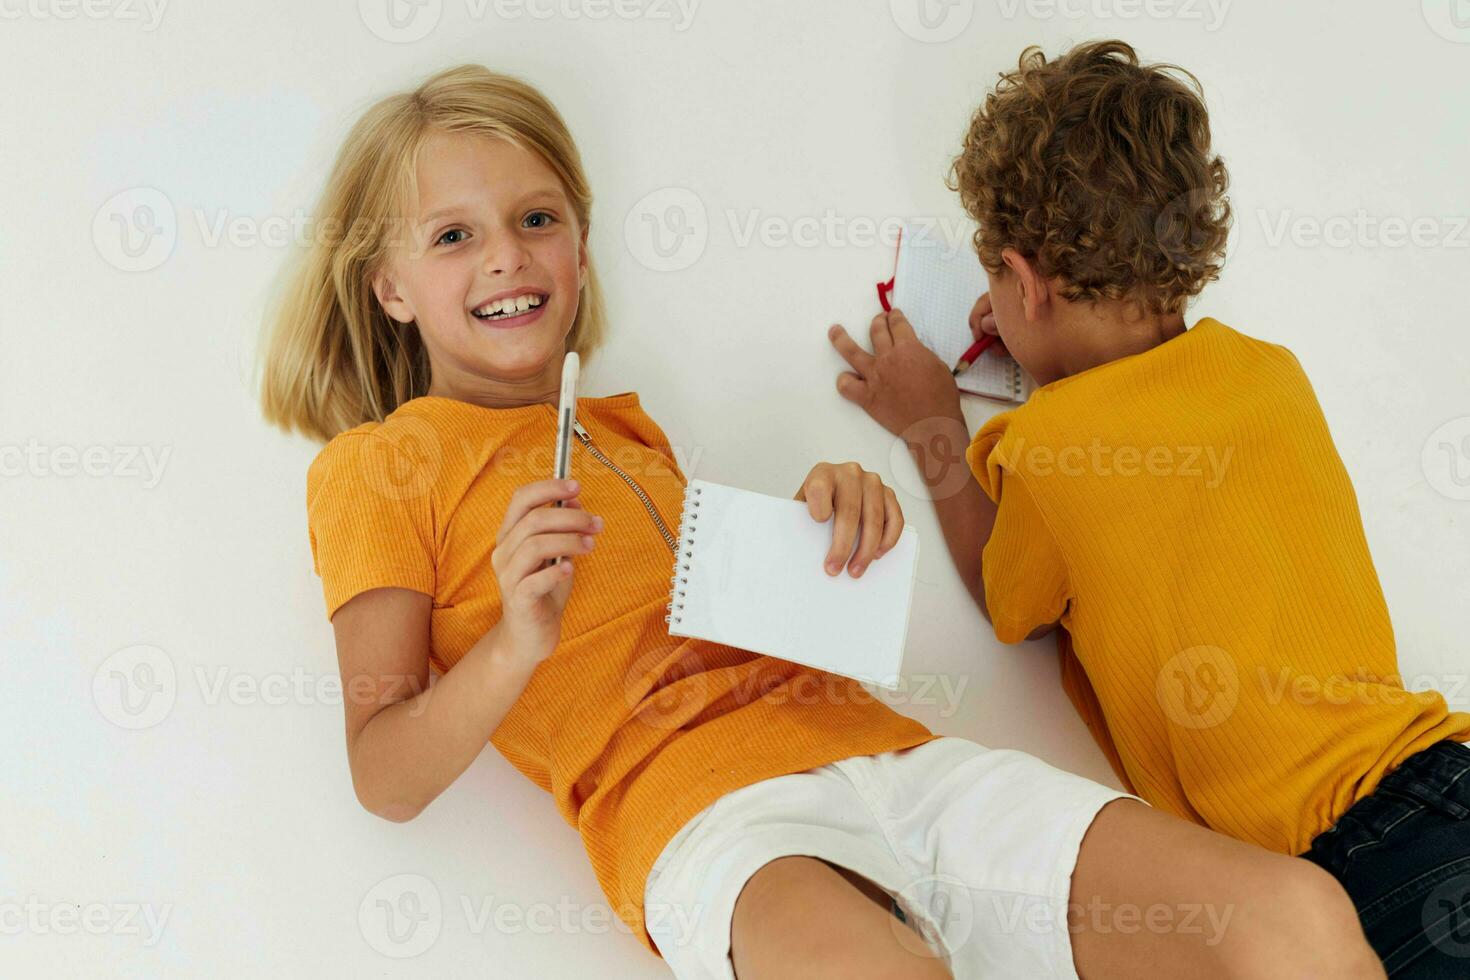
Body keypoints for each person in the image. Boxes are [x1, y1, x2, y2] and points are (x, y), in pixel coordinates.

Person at [258, 62, 1383, 978]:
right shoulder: (378, 464)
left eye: (535, 217)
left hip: (888, 757)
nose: (505, 253)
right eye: (451, 236)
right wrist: (514, 641)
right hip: (711, 825)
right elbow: (384, 771)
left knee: (1295, 913)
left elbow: (722, 626)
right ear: (387, 286)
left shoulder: (621, 429)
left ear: (579, 247)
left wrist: (832, 522)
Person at [829, 38, 1469, 978]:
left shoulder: (1046, 450)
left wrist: (932, 418)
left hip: (1353, 867)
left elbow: (1011, 602)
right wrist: (1041, 346)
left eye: (998, 287)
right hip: (1441, 774)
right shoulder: (1270, 373)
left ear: (1027, 281)